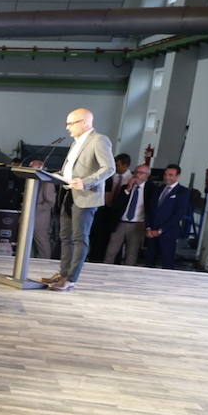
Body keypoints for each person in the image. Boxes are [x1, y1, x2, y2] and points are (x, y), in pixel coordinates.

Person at [40, 107, 116, 292]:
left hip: (86, 196)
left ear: (84, 122)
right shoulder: (76, 143)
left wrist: (87, 182)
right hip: (68, 194)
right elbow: (69, 171)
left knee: (79, 238)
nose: (67, 127)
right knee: (65, 237)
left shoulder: (99, 140)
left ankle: (71, 279)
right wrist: (49, 175)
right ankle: (64, 273)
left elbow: (109, 168)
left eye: (71, 123)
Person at [103, 163, 151, 266]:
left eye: (141, 173)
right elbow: (116, 205)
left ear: (147, 176)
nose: (137, 175)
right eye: (136, 172)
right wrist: (128, 189)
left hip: (137, 224)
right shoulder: (125, 187)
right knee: (111, 251)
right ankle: (104, 271)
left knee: (131, 253)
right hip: (121, 222)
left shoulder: (151, 189)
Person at [144, 164, 190, 270]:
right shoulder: (158, 189)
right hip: (152, 232)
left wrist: (160, 230)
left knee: (167, 263)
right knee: (149, 262)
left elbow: (178, 215)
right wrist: (148, 228)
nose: (167, 177)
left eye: (170, 175)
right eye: (165, 174)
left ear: (177, 176)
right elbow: (150, 210)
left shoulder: (183, 192)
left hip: (168, 234)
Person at [90, 153, 134, 262]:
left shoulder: (131, 179)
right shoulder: (110, 176)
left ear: (126, 165)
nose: (115, 167)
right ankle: (96, 259)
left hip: (119, 214)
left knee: (115, 243)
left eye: (118, 165)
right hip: (104, 210)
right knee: (99, 238)